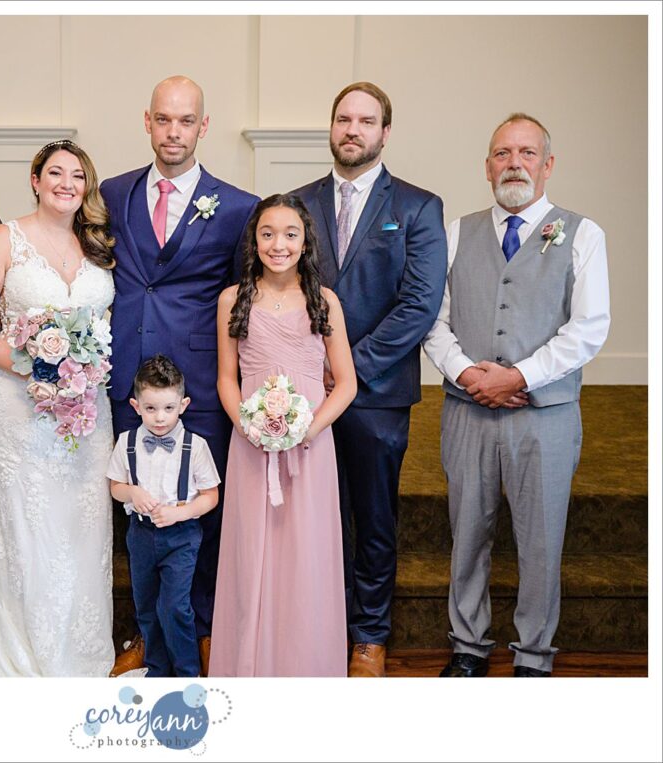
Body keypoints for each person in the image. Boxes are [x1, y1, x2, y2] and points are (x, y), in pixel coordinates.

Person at [423, 114, 610, 678]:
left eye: (527, 153)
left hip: (544, 415)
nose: (514, 163)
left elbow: (589, 327)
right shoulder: (457, 231)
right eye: (502, 153)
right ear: (487, 166)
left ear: (547, 165)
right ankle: (468, 647)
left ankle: (533, 656)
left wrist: (519, 376)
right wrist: (466, 375)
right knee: (468, 534)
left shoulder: (584, 234)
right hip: (467, 410)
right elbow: (434, 319)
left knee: (541, 538)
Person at [102, 75, 259, 675]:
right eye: (163, 120)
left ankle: (198, 630)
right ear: (147, 122)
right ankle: (142, 633)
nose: (173, 131)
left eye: (185, 121)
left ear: (203, 126)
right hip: (126, 387)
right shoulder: (112, 193)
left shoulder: (239, 206)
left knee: (202, 510)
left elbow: (242, 302)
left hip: (197, 387)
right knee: (132, 510)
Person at [291, 81, 447, 677]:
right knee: (317, 516)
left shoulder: (417, 206)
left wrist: (346, 366)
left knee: (374, 518)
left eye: (366, 120)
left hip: (378, 395)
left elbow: (418, 305)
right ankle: (321, 623)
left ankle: (369, 636)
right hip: (305, 395)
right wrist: (311, 368)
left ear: (385, 132)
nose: (352, 129)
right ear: (331, 127)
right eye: (343, 119)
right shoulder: (296, 204)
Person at [0, 140, 116, 676]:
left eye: (77, 176)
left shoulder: (98, 246)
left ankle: (82, 652)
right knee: (30, 526)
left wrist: (78, 372)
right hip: (20, 408)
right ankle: (28, 649)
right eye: (56, 173)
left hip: (88, 411)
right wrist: (31, 366)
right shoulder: (6, 240)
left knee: (84, 527)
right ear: (36, 180)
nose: (67, 183)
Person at [210, 195, 356, 677]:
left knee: (305, 554)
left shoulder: (324, 300)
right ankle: (250, 664)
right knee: (253, 551)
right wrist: (248, 426)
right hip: (250, 446)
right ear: (254, 240)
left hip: (310, 449)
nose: (279, 244)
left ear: (305, 241)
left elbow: (347, 382)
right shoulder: (233, 299)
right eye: (268, 233)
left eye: (290, 234)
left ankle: (304, 664)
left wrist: (305, 429)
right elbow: (226, 378)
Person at [107, 355, 221, 677]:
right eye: (151, 408)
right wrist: (132, 493)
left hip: (181, 537)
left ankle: (187, 672)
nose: (160, 418)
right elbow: (115, 486)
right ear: (135, 405)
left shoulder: (195, 447)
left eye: (168, 408)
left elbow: (211, 497)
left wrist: (178, 513)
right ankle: (156, 668)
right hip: (140, 535)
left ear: (183, 404)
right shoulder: (127, 444)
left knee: (174, 607)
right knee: (147, 606)